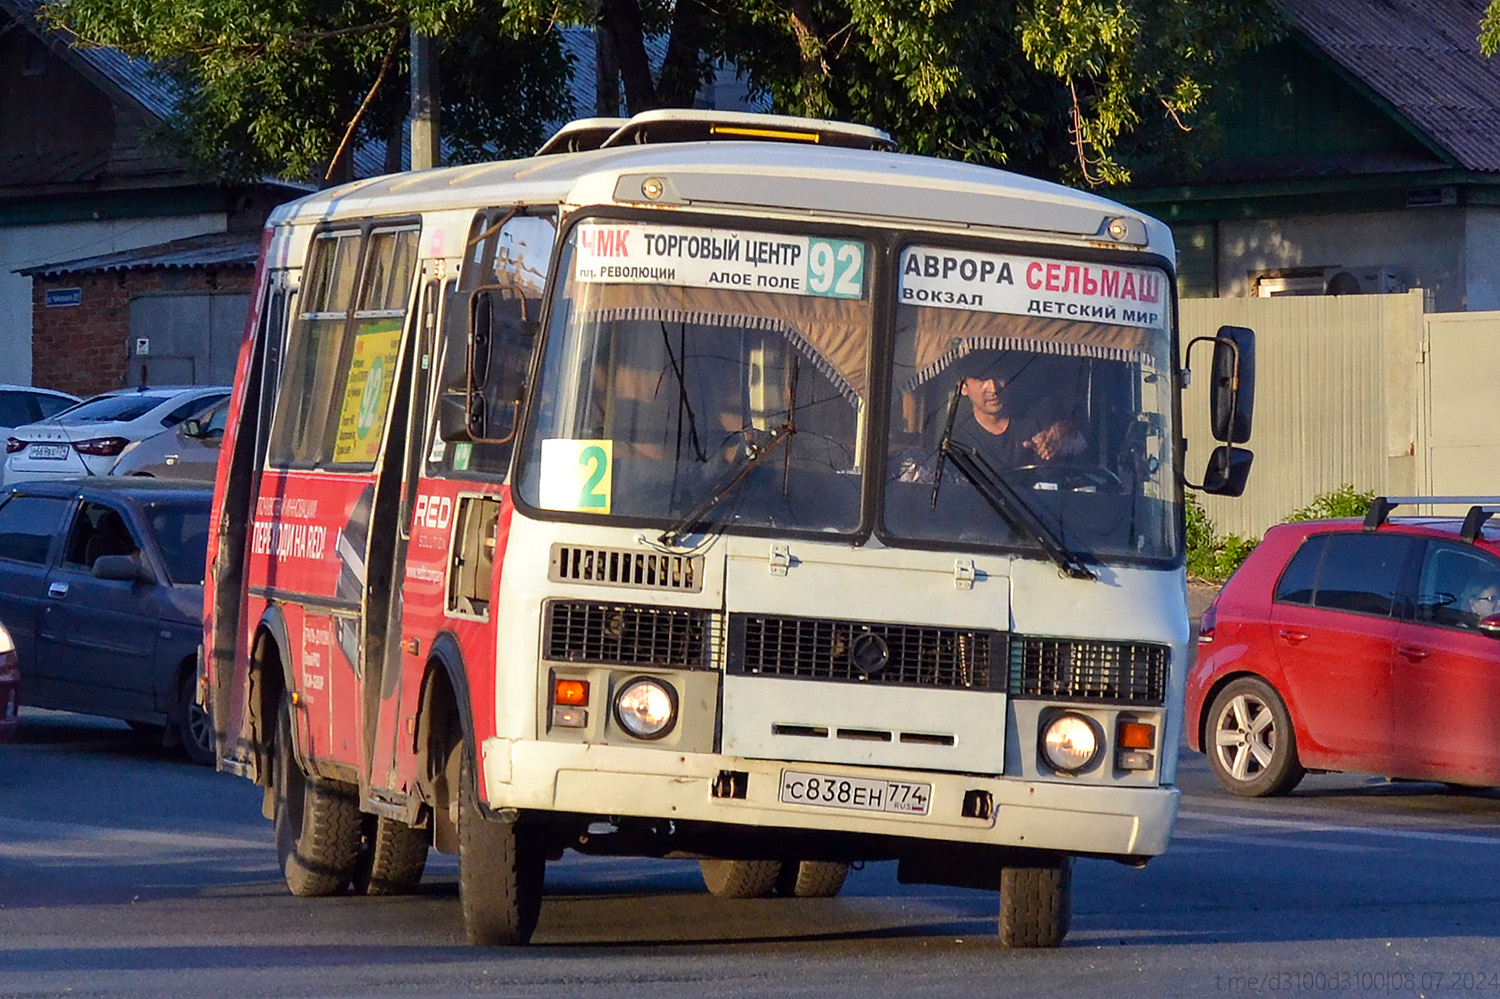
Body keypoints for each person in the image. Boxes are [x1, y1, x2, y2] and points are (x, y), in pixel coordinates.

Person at [949, 351, 1085, 471]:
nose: (994, 389)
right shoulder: (957, 441)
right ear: (963, 387)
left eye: (999, 377)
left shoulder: (1038, 417)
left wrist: (1058, 441)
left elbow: (1080, 443)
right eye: (982, 379)